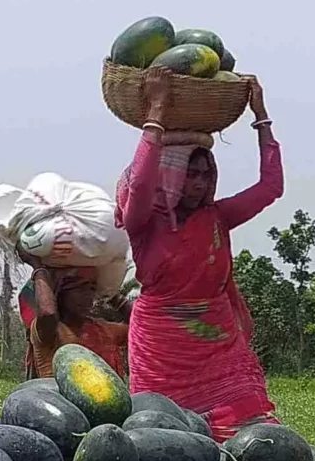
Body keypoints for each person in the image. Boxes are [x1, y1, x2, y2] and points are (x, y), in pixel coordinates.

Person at [114, 67, 281, 438]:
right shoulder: (145, 222)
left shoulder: (217, 217)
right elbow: (141, 184)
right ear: (170, 175)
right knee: (164, 438)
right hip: (161, 349)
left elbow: (271, 187)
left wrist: (261, 116)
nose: (201, 182)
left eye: (207, 173)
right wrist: (156, 110)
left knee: (257, 434)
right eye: (192, 174)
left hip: (219, 344)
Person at [19, 265, 127, 380]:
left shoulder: (103, 330)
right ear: (60, 292)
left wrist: (112, 296)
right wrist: (39, 270)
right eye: (80, 288)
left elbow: (144, 329)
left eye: (91, 289)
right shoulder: (50, 331)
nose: (88, 295)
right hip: (56, 397)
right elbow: (47, 314)